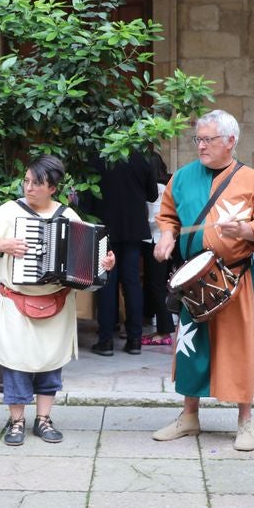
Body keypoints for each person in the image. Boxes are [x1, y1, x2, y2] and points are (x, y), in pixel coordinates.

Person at [151, 110, 254, 451]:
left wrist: (246, 229)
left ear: (230, 141)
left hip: (233, 276)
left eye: (209, 139)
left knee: (238, 348)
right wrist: (166, 237)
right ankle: (189, 416)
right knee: (191, 346)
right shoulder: (181, 177)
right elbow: (167, 214)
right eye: (199, 139)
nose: (202, 146)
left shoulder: (252, 181)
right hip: (192, 276)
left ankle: (245, 422)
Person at [0, 155, 115, 446]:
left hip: (57, 304)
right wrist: (3, 245)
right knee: (14, 364)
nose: (28, 187)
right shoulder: (10, 211)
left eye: (36, 183)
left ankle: (43, 419)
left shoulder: (69, 217)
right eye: (26, 181)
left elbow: (88, 264)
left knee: (51, 362)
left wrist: (104, 263)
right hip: (15, 301)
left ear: (52, 187)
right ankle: (16, 421)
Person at [89, 151, 157, 355]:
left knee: (107, 283)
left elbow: (87, 197)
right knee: (132, 283)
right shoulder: (141, 158)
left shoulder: (96, 157)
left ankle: (106, 340)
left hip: (105, 227)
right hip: (133, 228)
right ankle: (135, 339)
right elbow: (153, 194)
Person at [141, 151, 175, 346]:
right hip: (163, 242)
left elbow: (155, 220)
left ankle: (164, 330)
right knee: (157, 285)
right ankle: (159, 325)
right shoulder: (167, 187)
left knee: (157, 286)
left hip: (156, 242)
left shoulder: (156, 189)